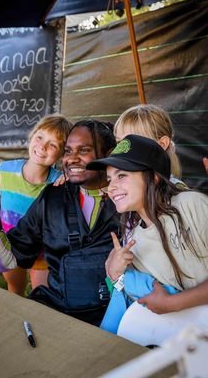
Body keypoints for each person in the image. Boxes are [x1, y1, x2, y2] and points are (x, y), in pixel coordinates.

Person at [0, 119, 118, 325]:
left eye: (83, 150)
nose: (72, 159)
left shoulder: (128, 200)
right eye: (68, 151)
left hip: (117, 315)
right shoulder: (52, 198)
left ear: (109, 154)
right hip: (58, 310)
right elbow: (4, 262)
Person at [87, 134, 208, 345]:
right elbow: (143, 298)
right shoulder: (132, 238)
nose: (112, 186)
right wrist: (116, 276)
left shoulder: (192, 205)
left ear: (153, 177)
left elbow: (168, 302)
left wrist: (173, 304)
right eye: (109, 180)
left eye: (121, 175)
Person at [0, 114, 72, 296]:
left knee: (43, 296)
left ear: (62, 154)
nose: (43, 146)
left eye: (53, 144)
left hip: (43, 252)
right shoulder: (4, 170)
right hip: (9, 246)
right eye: (40, 137)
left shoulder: (58, 183)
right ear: (32, 136)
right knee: (15, 290)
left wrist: (70, 180)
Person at [114, 104, 186, 188]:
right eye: (119, 142)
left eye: (133, 142)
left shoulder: (179, 195)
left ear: (162, 144)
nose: (123, 150)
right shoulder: (121, 188)